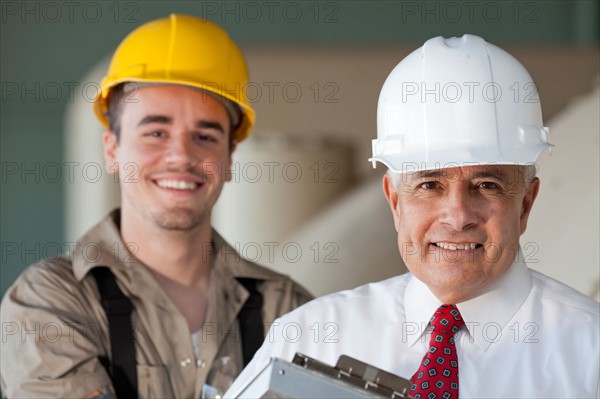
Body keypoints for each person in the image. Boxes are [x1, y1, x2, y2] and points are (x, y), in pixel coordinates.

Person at [226, 34, 599, 398]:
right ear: (394, 201)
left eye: (486, 185)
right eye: (430, 184)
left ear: (526, 204)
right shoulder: (310, 337)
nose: (457, 215)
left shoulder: (590, 355)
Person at [0, 14, 312, 398]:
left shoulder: (288, 310)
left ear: (230, 158)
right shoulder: (50, 304)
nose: (181, 156)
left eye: (205, 135)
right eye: (156, 132)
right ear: (112, 150)